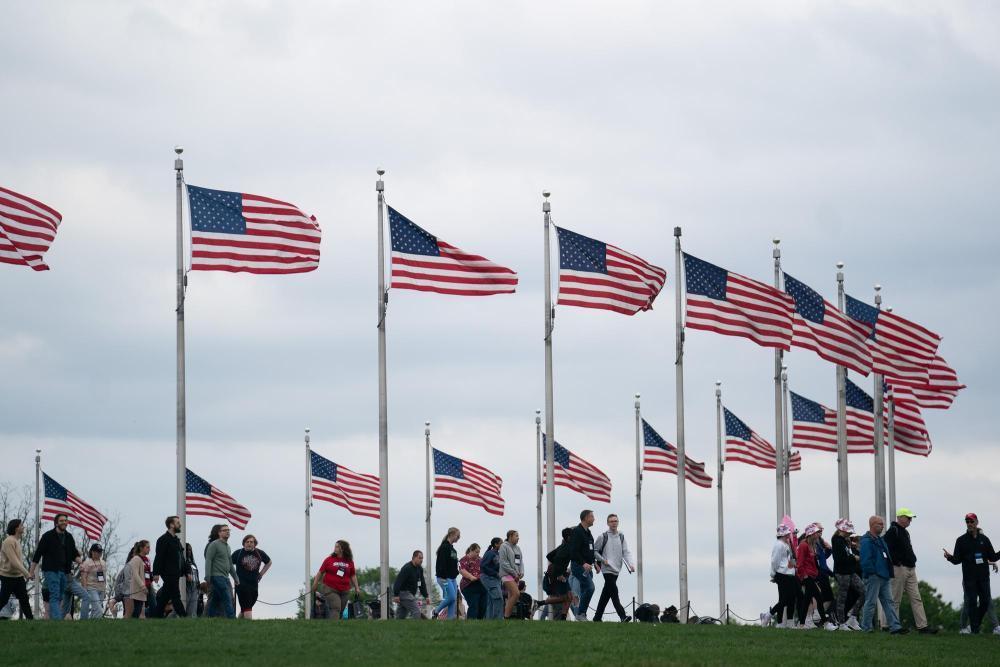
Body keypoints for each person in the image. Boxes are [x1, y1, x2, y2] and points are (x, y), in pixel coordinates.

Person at [944, 512, 999, 635]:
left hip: (984, 578)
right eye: (967, 522)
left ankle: (975, 625)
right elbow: (957, 560)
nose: (969, 524)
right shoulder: (961, 540)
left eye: (971, 521)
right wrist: (949, 557)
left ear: (977, 522)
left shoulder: (984, 540)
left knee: (986, 601)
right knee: (971, 602)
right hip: (969, 578)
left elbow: (993, 556)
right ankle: (973, 629)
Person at [882, 507, 935, 634]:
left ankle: (922, 626)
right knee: (895, 598)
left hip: (910, 568)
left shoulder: (905, 532)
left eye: (911, 518)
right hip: (899, 568)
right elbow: (886, 549)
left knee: (916, 598)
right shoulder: (892, 531)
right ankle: (889, 625)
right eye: (908, 517)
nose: (910, 520)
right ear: (900, 517)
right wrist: (897, 562)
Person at [27, 514, 81, 620]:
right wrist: (31, 571)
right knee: (55, 594)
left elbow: (74, 554)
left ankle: (53, 619)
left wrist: (81, 561)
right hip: (51, 570)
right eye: (61, 521)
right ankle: (57, 620)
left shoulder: (69, 537)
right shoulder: (47, 536)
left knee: (60, 596)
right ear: (56, 523)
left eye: (65, 520)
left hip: (65, 572)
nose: (64, 522)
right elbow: (37, 554)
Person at [860, 515, 905, 634]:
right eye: (880, 524)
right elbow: (865, 560)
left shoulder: (880, 540)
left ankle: (895, 627)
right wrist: (872, 573)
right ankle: (866, 627)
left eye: (882, 524)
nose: (883, 526)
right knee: (871, 602)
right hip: (874, 576)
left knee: (889, 602)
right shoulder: (866, 541)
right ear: (873, 525)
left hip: (884, 576)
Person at [593, 513, 634, 623]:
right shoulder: (603, 536)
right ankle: (622, 616)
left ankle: (597, 617)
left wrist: (631, 564)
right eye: (611, 521)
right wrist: (602, 560)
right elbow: (594, 551)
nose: (614, 523)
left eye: (615, 521)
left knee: (606, 594)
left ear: (618, 522)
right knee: (614, 593)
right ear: (607, 523)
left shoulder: (621, 536)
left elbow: (626, 552)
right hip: (606, 569)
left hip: (617, 568)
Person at [795, 523, 835, 630]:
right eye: (817, 532)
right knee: (819, 597)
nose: (819, 534)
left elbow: (816, 562)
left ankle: (802, 624)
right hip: (807, 577)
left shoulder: (813, 545)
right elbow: (800, 563)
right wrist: (804, 576)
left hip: (813, 576)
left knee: (807, 600)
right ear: (811, 534)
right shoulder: (803, 545)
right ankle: (826, 623)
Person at [311, 539, 360, 621]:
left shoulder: (349, 561)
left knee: (340, 610)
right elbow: (320, 573)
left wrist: (357, 587)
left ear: (343, 549)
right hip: (330, 589)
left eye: (337, 547)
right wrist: (315, 584)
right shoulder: (329, 560)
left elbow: (353, 575)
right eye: (335, 546)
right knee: (336, 607)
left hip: (345, 590)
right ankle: (333, 627)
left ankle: (334, 625)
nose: (335, 548)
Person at [152, 515, 189, 618]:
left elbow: (181, 557)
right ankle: (184, 616)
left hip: (176, 572)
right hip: (168, 573)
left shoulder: (176, 541)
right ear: (171, 525)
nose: (180, 524)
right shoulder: (163, 539)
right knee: (176, 595)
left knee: (165, 597)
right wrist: (156, 573)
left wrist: (187, 571)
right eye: (177, 523)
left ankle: (156, 616)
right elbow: (159, 557)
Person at [831, 519, 863, 631]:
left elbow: (847, 554)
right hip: (842, 573)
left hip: (850, 571)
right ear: (842, 530)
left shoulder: (845, 541)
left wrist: (851, 549)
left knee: (864, 592)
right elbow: (840, 558)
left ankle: (852, 617)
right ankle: (841, 623)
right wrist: (854, 558)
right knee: (842, 598)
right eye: (848, 531)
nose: (850, 533)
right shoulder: (836, 540)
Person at [540, 527, 577, 620]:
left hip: (558, 572)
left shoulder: (564, 546)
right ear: (569, 537)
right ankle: (539, 603)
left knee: (569, 596)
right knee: (565, 597)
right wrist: (560, 574)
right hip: (557, 574)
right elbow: (558, 559)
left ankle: (563, 617)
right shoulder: (567, 548)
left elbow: (549, 556)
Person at [231, 534, 272, 620]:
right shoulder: (237, 553)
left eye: (251, 542)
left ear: (255, 544)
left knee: (246, 607)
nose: (249, 544)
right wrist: (234, 576)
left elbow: (269, 562)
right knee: (247, 605)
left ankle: (237, 624)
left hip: (254, 584)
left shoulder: (260, 553)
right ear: (244, 543)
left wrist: (261, 574)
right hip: (241, 584)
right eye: (247, 542)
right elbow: (228, 565)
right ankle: (250, 627)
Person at [0, 519, 34, 620]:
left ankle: (31, 620)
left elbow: (18, 562)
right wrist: (27, 573)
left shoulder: (16, 541)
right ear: (16, 528)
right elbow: (14, 562)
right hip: (7, 576)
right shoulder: (9, 541)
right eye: (21, 525)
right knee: (3, 600)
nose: (23, 527)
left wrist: (24, 573)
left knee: (24, 599)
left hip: (18, 577)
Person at [567, 510, 597, 621]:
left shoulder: (588, 533)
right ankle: (580, 614)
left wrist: (595, 563)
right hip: (578, 567)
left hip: (588, 567)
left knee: (586, 591)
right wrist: (583, 563)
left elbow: (590, 550)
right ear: (585, 518)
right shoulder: (577, 532)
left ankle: (581, 614)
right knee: (590, 587)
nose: (594, 519)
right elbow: (573, 551)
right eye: (592, 516)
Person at [204, 525, 239, 618]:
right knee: (227, 597)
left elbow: (230, 564)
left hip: (225, 576)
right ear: (219, 533)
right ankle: (232, 618)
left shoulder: (228, 547)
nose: (227, 532)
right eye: (224, 530)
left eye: (228, 530)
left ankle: (209, 617)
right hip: (216, 576)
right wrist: (207, 576)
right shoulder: (214, 544)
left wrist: (236, 578)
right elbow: (208, 560)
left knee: (216, 599)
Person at [767, 524, 797, 629]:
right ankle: (768, 615)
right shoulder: (779, 545)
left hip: (790, 573)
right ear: (783, 533)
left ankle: (789, 622)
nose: (789, 534)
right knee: (784, 599)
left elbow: (789, 559)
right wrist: (774, 574)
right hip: (782, 574)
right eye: (788, 532)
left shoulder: (786, 544)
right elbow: (775, 561)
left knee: (791, 599)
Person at [392, 550, 430, 620]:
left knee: (401, 616)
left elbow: (421, 584)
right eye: (419, 558)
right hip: (404, 593)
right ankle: (417, 629)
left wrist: (426, 596)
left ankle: (395, 628)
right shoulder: (407, 568)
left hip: (410, 595)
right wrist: (396, 595)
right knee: (416, 611)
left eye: (422, 558)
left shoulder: (419, 569)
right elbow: (398, 581)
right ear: (414, 558)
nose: (421, 560)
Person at [433, 527, 461, 620]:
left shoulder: (453, 550)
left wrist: (457, 571)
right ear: (451, 534)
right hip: (444, 577)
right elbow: (441, 564)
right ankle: (436, 611)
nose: (459, 537)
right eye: (457, 535)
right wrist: (444, 576)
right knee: (451, 597)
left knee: (453, 600)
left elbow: (452, 564)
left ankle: (450, 620)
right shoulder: (444, 547)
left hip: (452, 578)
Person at [499, 529, 524, 619]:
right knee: (516, 594)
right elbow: (503, 563)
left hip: (516, 576)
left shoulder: (518, 548)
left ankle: (507, 617)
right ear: (510, 537)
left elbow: (521, 562)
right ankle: (506, 617)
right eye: (516, 536)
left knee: (511, 597)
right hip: (506, 574)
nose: (518, 538)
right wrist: (514, 573)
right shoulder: (503, 546)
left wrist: (521, 572)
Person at [77, 543, 107, 620]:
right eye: (98, 551)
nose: (100, 553)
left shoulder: (103, 562)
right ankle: (96, 623)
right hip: (91, 588)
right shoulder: (87, 562)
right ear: (92, 552)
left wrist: (105, 589)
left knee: (95, 609)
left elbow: (104, 577)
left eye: (100, 551)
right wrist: (84, 590)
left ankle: (92, 625)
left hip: (101, 589)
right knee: (98, 609)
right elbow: (83, 577)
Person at [123, 540, 150, 619]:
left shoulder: (144, 559)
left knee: (138, 610)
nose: (149, 549)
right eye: (147, 547)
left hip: (141, 589)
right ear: (141, 548)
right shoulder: (136, 559)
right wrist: (143, 586)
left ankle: (133, 624)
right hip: (137, 589)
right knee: (137, 610)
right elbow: (135, 574)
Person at [459, 543, 486, 620]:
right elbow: (462, 570)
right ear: (471, 550)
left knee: (483, 605)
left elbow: (485, 569)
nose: (478, 554)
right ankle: (471, 623)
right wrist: (471, 577)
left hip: (481, 584)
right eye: (476, 552)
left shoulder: (481, 560)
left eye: (479, 552)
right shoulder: (463, 560)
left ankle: (479, 624)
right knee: (474, 605)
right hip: (468, 585)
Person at [479, 537, 503, 620]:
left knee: (491, 600)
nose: (503, 545)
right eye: (501, 543)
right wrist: (495, 573)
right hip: (488, 577)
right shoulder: (490, 553)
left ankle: (489, 620)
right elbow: (483, 565)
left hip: (494, 578)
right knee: (498, 598)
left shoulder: (498, 554)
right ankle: (498, 619)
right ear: (496, 544)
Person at [183, 543, 202, 618]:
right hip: (186, 586)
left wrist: (198, 583)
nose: (189, 551)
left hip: (195, 587)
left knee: (193, 607)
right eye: (187, 550)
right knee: (183, 605)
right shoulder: (183, 562)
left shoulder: (193, 563)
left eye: (190, 550)